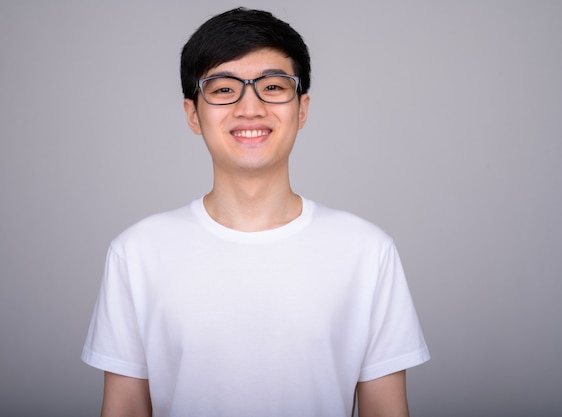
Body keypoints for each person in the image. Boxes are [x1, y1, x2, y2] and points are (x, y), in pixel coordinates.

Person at [82, 7, 430, 417]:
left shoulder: (368, 252)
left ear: (302, 109)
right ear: (193, 114)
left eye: (272, 87)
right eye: (224, 88)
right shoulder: (137, 253)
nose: (250, 108)